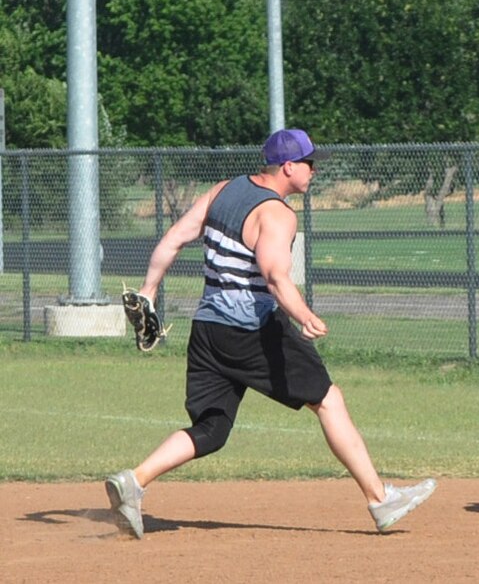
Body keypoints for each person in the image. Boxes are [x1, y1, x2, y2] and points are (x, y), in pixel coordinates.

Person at [104, 129, 436, 539]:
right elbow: (276, 276)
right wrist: (304, 315)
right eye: (310, 163)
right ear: (289, 167)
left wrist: (149, 292)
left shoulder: (226, 189)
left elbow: (174, 239)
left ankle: (133, 482)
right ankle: (379, 499)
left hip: (208, 328)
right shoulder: (277, 213)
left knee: (213, 428)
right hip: (252, 331)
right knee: (329, 400)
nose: (315, 171)